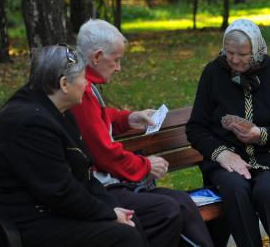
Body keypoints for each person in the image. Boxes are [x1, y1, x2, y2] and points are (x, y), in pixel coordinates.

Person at [0, 45, 147, 247]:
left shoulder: (57, 109)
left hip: (50, 210)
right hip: (24, 223)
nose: (86, 85)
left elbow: (83, 173)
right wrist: (109, 215)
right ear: (64, 84)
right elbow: (58, 192)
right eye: (83, 78)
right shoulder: (31, 123)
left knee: (130, 221)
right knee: (123, 235)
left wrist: (113, 209)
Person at [71, 19, 214, 247]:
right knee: (168, 210)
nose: (118, 67)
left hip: (110, 184)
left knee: (183, 203)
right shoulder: (81, 91)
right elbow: (103, 152)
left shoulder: (85, 86)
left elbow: (99, 117)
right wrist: (145, 165)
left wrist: (128, 118)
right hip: (100, 189)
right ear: (97, 57)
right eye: (116, 60)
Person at [186, 19, 270, 247]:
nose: (234, 60)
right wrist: (221, 153)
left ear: (256, 48)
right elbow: (195, 127)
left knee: (267, 191)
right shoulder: (214, 72)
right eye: (229, 52)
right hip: (227, 162)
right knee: (235, 189)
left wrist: (260, 134)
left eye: (242, 54)